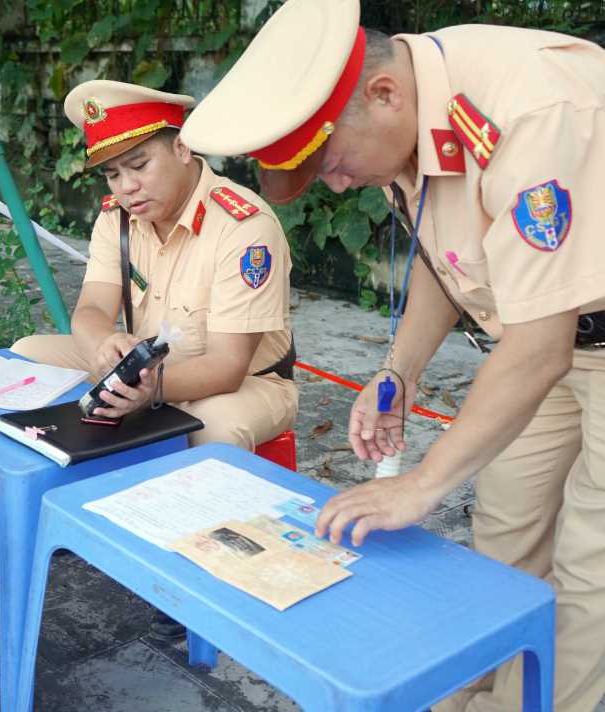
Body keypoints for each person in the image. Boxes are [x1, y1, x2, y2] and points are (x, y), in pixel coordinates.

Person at [181, 1, 605, 710]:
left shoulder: (530, 112)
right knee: (505, 533)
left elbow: (541, 346)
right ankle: (468, 693)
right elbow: (448, 259)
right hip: (550, 330)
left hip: (552, 335)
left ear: (384, 95)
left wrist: (421, 484)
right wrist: (397, 372)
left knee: (590, 565)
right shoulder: (407, 113)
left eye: (335, 164)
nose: (337, 184)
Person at [12, 80, 298, 453]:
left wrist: (152, 388)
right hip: (141, 367)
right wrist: (104, 346)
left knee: (214, 430)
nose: (127, 187)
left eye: (139, 165)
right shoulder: (117, 219)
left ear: (182, 148)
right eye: (113, 174)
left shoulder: (243, 228)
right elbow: (92, 309)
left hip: (244, 383)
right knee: (25, 355)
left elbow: (228, 366)